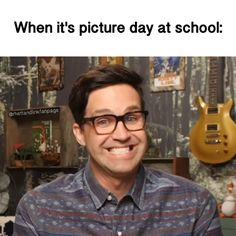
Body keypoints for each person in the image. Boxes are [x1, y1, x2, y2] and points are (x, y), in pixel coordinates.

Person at [13, 64, 223, 236]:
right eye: (103, 121)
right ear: (79, 134)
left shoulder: (196, 204)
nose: (122, 135)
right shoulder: (37, 209)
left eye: (131, 118)